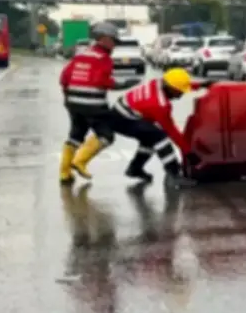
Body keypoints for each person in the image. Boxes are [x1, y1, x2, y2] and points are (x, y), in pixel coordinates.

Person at [58, 22, 136, 185]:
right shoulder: (104, 58)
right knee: (106, 136)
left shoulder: (81, 54)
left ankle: (64, 174)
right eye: (114, 41)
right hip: (93, 105)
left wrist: (67, 98)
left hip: (73, 103)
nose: (115, 45)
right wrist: (123, 84)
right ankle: (80, 161)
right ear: (105, 39)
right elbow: (101, 80)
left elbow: (64, 78)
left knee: (75, 136)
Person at [105, 68, 209, 188]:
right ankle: (174, 175)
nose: (182, 94)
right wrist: (188, 153)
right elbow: (172, 131)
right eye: (180, 92)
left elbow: (177, 84)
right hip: (123, 119)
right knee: (160, 138)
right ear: (171, 89)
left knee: (149, 138)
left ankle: (135, 168)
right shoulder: (159, 105)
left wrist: (200, 85)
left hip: (122, 112)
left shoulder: (158, 83)